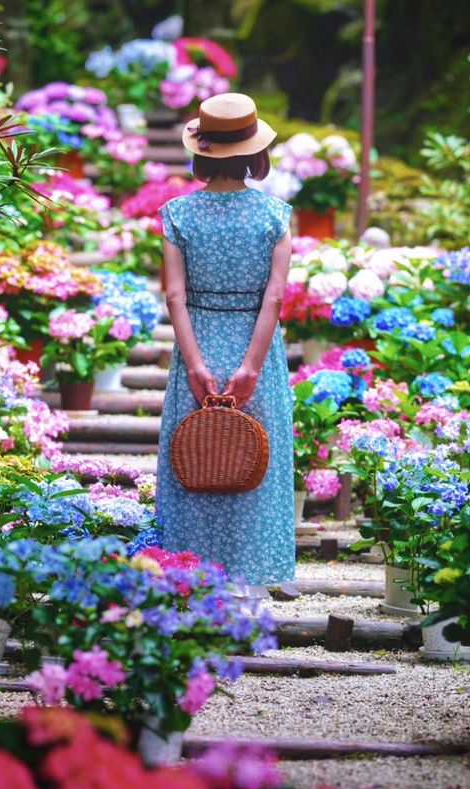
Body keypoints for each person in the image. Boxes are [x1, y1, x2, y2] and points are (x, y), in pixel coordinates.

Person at [157, 93, 295, 587]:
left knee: (195, 461)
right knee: (252, 464)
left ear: (202, 152)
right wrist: (250, 368)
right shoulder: (276, 215)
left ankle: (188, 582)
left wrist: (195, 366)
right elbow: (274, 299)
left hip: (199, 344)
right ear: (256, 153)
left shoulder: (176, 214)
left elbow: (175, 296)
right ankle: (249, 584)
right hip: (254, 350)